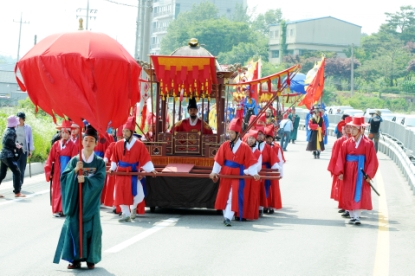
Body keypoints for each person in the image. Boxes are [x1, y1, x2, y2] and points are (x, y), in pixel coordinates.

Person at [53, 125, 106, 270]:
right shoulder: (75, 160)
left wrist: (87, 181)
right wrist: (75, 171)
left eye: (91, 140)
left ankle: (91, 259)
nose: (88, 143)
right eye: (86, 140)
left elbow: (100, 179)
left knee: (93, 229)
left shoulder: (99, 162)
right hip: (76, 200)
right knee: (74, 227)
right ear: (82, 142)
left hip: (91, 200)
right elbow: (64, 178)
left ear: (95, 143)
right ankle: (74, 259)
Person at [209, 118, 260, 226]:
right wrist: (214, 171)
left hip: (237, 174)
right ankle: (226, 215)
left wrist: (254, 173)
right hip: (226, 173)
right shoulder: (225, 145)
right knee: (225, 195)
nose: (230, 135)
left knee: (233, 195)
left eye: (232, 133)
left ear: (238, 134)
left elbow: (251, 161)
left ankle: (227, 217)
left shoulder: (245, 147)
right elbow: (218, 160)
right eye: (229, 132)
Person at [110, 116, 157, 222]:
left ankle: (133, 208)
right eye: (124, 131)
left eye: (127, 131)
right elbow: (114, 158)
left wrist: (150, 169)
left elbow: (145, 157)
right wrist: (112, 168)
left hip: (133, 172)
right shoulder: (118, 144)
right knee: (119, 192)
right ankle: (125, 214)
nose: (124, 133)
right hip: (121, 172)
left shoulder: (139, 145)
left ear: (131, 132)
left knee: (138, 194)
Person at [335, 117, 379, 225]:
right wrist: (340, 172)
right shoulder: (346, 143)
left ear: (360, 129)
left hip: (361, 171)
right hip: (348, 171)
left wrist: (368, 174)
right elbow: (341, 158)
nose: (351, 130)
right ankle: (352, 215)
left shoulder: (368, 144)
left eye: (354, 128)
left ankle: (357, 216)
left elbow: (372, 160)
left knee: (358, 192)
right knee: (349, 192)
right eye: (351, 128)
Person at [44, 121, 78, 217]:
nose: (64, 134)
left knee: (67, 190)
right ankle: (58, 210)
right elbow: (50, 158)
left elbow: (74, 159)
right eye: (62, 132)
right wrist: (49, 170)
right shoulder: (56, 144)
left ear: (70, 133)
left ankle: (66, 209)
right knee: (57, 189)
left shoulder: (73, 145)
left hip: (68, 169)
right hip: (58, 170)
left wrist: (72, 171)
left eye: (66, 132)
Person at [327, 116, 352, 215]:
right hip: (341, 166)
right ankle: (343, 204)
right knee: (341, 187)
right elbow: (335, 156)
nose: (345, 130)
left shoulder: (354, 141)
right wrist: (336, 168)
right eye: (344, 128)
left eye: (348, 127)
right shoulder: (339, 141)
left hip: (351, 166)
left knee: (349, 187)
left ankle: (349, 207)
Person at [0, 115, 26, 198]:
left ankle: (17, 191)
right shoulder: (12, 131)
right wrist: (16, 146)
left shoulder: (6, 130)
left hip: (3, 154)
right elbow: (9, 142)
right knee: (17, 172)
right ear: (14, 123)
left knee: (2, 174)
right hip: (8, 155)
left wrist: (15, 144)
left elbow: (7, 142)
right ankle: (17, 192)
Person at [265, 125, 285, 212]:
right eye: (267, 138)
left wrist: (280, 172)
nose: (268, 140)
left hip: (274, 170)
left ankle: (272, 206)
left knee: (273, 188)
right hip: (264, 169)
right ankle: (265, 205)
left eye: (270, 138)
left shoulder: (276, 147)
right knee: (265, 188)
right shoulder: (262, 146)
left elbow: (280, 161)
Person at [14, 112, 35, 188]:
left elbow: (30, 139)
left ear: (23, 119)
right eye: (17, 118)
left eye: (20, 118)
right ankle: (16, 186)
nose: (18, 120)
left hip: (24, 151)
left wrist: (30, 150)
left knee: (22, 169)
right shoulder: (14, 127)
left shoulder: (28, 128)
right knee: (16, 168)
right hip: (15, 151)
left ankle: (20, 183)